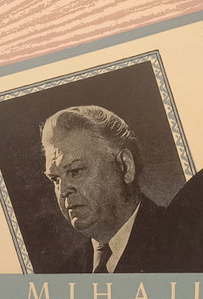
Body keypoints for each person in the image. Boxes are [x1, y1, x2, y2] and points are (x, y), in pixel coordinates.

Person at [41, 105, 163, 273]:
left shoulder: (182, 239)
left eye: (76, 171)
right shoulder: (66, 273)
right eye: (55, 179)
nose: (63, 192)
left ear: (125, 166)